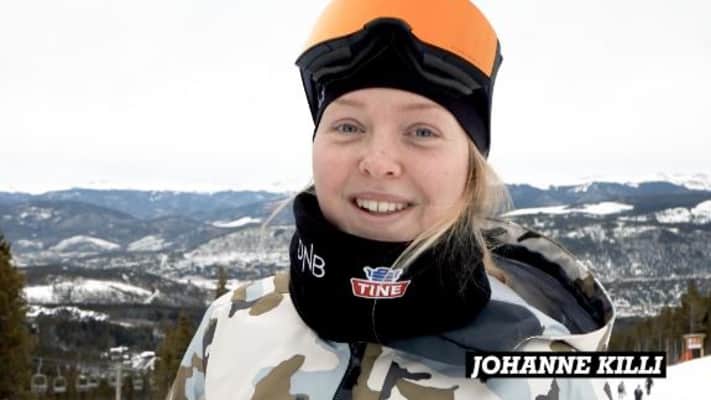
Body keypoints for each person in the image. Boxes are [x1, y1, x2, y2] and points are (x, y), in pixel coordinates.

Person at [168, 0, 615, 398]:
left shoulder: (544, 377)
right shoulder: (230, 327)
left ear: (470, 171)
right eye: (348, 126)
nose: (378, 162)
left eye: (421, 131)